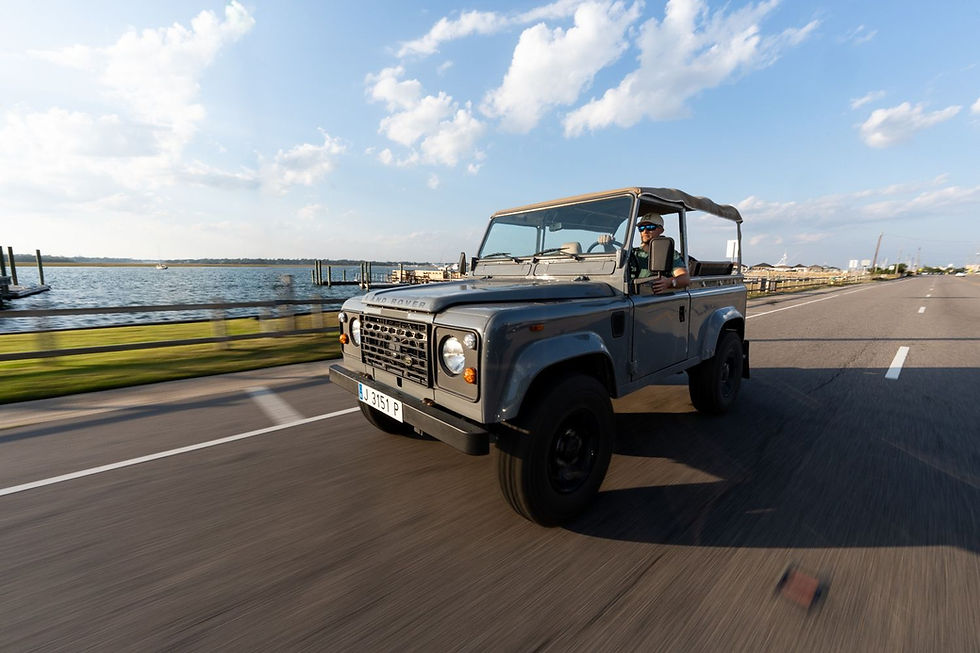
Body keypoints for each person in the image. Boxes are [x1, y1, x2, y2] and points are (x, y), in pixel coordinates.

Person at [633, 213, 690, 293]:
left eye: (650, 227)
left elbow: (685, 278)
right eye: (641, 228)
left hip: (653, 297)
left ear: (661, 230)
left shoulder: (667, 253)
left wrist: (669, 282)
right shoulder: (632, 253)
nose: (645, 231)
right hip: (632, 294)